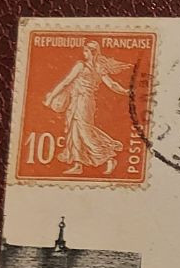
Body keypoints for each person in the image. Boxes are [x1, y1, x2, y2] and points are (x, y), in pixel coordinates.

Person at [42, 41, 132, 175]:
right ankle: (78, 165)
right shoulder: (99, 67)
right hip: (83, 101)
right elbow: (112, 84)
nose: (84, 54)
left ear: (91, 52)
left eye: (86, 51)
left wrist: (50, 98)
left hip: (82, 101)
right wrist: (125, 91)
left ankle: (108, 157)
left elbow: (66, 82)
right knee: (75, 131)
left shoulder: (81, 65)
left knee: (84, 131)